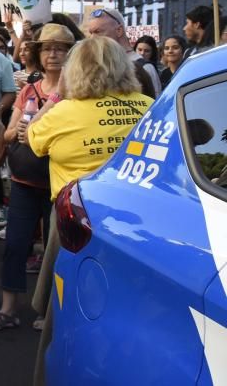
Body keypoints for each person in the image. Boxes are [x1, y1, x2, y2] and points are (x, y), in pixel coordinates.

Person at [26, 36, 153, 384]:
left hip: (76, 222)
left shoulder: (64, 112)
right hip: (136, 224)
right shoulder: (148, 106)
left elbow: (32, 139)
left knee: (64, 313)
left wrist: (55, 95)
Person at [0, 24, 73, 333]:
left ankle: (51, 313)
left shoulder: (77, 93)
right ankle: (8, 309)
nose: (53, 53)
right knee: (16, 246)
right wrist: (18, 131)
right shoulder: (29, 90)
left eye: (60, 48)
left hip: (61, 185)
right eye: (47, 48)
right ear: (38, 53)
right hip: (24, 181)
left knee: (55, 252)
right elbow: (6, 135)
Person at [86, 7, 161, 97]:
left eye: (98, 32)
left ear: (119, 30)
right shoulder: (93, 65)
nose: (92, 38)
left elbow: (155, 106)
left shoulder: (145, 68)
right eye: (91, 33)